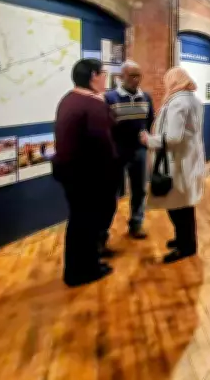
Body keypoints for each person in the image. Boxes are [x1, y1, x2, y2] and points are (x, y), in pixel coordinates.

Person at [53, 59, 118, 287]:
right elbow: (103, 144)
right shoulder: (93, 105)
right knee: (88, 224)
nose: (105, 79)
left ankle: (79, 267)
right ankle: (84, 271)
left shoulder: (68, 99)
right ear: (93, 76)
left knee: (79, 222)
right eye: (103, 74)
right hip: (89, 176)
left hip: (71, 173)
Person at [139, 67, 206, 263]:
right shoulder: (193, 99)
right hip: (187, 158)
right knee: (183, 204)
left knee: (177, 206)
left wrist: (149, 140)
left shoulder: (178, 103)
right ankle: (184, 239)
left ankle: (186, 247)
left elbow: (174, 137)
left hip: (177, 162)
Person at [104, 60, 154, 241]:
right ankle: (102, 234)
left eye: (138, 75)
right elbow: (105, 125)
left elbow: (149, 121)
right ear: (121, 76)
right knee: (111, 193)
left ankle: (136, 224)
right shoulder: (109, 98)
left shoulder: (146, 97)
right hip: (117, 152)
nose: (136, 79)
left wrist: (145, 137)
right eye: (132, 75)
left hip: (139, 151)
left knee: (139, 190)